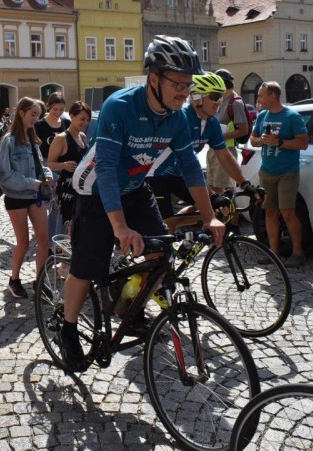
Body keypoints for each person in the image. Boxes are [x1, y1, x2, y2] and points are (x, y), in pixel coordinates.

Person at [59, 36, 225, 372]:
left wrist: (210, 218)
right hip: (95, 193)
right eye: (178, 84)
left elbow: (191, 167)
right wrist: (119, 227)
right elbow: (105, 168)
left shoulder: (176, 118)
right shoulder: (120, 107)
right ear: (154, 79)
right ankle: (68, 327)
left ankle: (128, 307)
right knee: (86, 269)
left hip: (135, 189)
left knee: (160, 254)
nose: (185, 92)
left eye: (188, 85)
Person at [147, 72, 257, 231]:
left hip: (179, 174)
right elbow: (189, 165)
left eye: (220, 96)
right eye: (214, 96)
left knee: (209, 211)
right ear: (197, 97)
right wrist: (212, 194)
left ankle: (174, 234)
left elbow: (224, 156)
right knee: (167, 227)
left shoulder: (211, 123)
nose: (218, 102)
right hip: (156, 175)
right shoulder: (181, 119)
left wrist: (246, 184)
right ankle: (162, 238)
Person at [0, 97, 53, 299]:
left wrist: (47, 174)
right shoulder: (8, 141)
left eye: (38, 115)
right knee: (23, 242)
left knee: (44, 239)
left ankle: (40, 281)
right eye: (33, 114)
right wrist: (31, 182)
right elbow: (4, 174)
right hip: (16, 196)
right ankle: (15, 279)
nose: (35, 119)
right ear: (21, 113)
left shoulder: (32, 139)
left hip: (34, 195)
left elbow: (40, 164)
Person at [249, 81, 310, 268]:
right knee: (270, 212)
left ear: (272, 96)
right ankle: (274, 252)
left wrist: (280, 143)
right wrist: (260, 140)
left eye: (261, 95)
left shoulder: (292, 116)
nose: (258, 99)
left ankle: (298, 252)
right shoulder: (262, 116)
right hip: (267, 171)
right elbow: (252, 139)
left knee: (288, 212)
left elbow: (303, 143)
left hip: (287, 172)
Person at [46, 100, 91, 233]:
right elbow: (50, 164)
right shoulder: (61, 138)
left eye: (87, 120)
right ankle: (58, 251)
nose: (85, 123)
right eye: (82, 119)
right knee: (65, 226)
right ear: (72, 116)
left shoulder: (82, 136)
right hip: (66, 189)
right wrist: (63, 165)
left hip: (81, 187)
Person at [35, 92, 71, 238]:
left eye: (61, 109)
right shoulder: (39, 125)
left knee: (57, 200)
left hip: (60, 164)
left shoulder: (66, 123)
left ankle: (53, 233)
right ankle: (45, 230)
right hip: (44, 163)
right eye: (55, 109)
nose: (58, 112)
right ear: (48, 106)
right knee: (46, 200)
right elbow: (36, 147)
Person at [212, 69, 249, 194]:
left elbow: (244, 130)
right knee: (215, 189)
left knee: (225, 190)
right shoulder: (221, 99)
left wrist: (220, 136)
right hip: (215, 149)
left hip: (226, 150)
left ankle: (231, 214)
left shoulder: (235, 102)